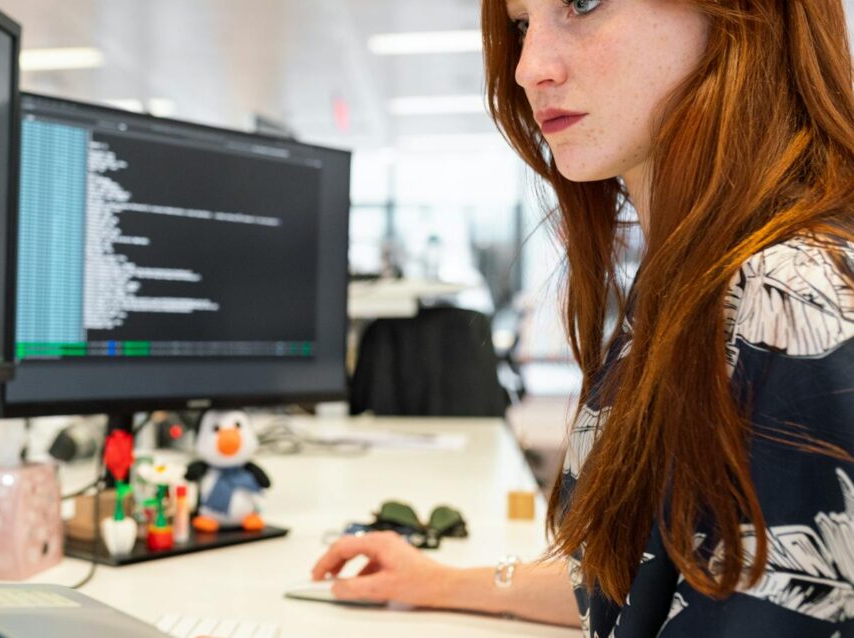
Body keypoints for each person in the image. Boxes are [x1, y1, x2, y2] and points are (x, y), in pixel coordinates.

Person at [311, 0, 854, 635]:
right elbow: (642, 582)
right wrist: (435, 581)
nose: (526, 68)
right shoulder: (695, 278)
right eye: (521, 25)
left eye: (584, 2)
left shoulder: (790, 295)